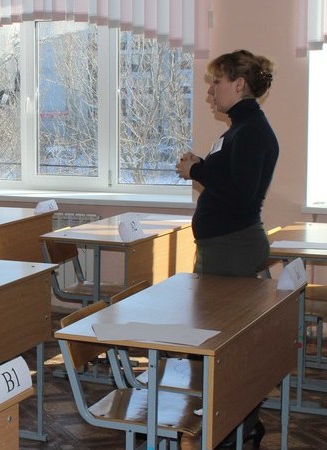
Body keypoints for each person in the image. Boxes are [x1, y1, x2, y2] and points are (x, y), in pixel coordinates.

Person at [175, 49, 278, 449]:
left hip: (231, 248)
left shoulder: (250, 131)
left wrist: (197, 170)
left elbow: (240, 194)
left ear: (239, 84)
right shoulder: (241, 128)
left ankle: (232, 425)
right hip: (224, 246)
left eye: (216, 82)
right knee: (220, 340)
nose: (210, 91)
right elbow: (232, 178)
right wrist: (202, 164)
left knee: (223, 344)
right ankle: (231, 422)